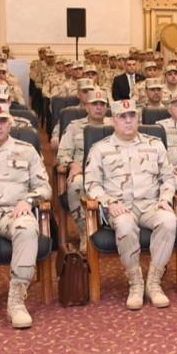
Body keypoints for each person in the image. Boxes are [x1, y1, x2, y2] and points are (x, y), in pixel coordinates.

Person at [0, 102, 51, 333]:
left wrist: (28, 201)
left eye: (2, 120)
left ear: (10, 123)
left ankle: (17, 301)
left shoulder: (27, 150)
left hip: (14, 212)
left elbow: (44, 187)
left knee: (27, 228)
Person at [84, 99, 177, 310]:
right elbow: (91, 184)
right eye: (122, 116)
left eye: (132, 116)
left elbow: (168, 178)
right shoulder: (100, 149)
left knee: (169, 220)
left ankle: (153, 282)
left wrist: (165, 199)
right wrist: (109, 203)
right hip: (120, 206)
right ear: (113, 120)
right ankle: (135, 283)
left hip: (151, 204)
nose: (128, 120)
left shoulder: (155, 145)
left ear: (138, 118)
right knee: (125, 224)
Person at [56, 88, 112, 253]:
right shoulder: (74, 127)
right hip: (83, 172)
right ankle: (85, 231)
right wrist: (71, 164)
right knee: (76, 183)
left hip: (112, 173)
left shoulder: (115, 125)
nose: (99, 107)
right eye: (94, 104)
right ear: (86, 106)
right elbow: (62, 155)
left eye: (102, 104)